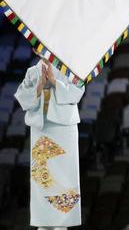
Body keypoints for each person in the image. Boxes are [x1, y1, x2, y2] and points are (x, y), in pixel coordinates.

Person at [15, 54, 85, 230]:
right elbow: (22, 98)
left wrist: (54, 81)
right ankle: (43, 223)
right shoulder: (32, 72)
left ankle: (62, 224)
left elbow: (77, 92)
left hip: (64, 128)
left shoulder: (69, 70)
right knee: (42, 178)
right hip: (41, 129)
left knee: (65, 176)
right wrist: (38, 88)